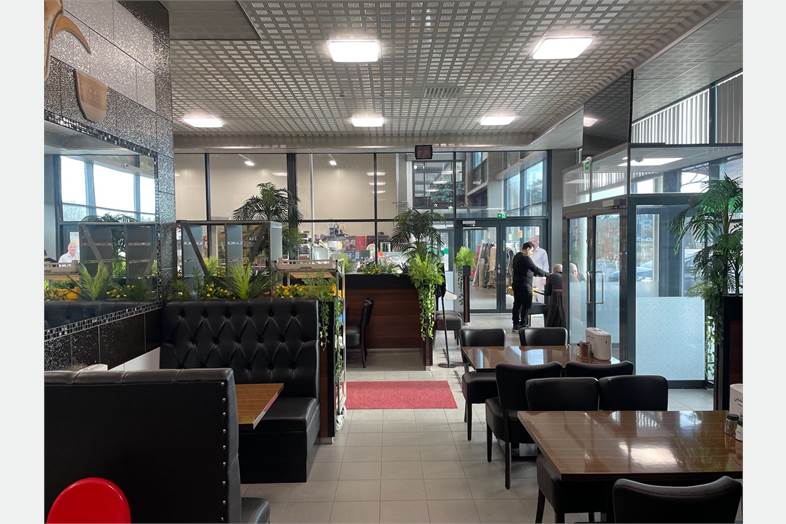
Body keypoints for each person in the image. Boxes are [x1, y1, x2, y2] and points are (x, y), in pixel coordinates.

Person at [511, 241, 549, 331]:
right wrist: (548, 275)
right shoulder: (525, 257)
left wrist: (534, 273)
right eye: (531, 251)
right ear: (527, 249)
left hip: (517, 284)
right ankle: (523, 324)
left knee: (517, 304)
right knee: (526, 305)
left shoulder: (516, 256)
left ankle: (515, 324)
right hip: (524, 285)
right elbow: (535, 268)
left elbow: (525, 269)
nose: (531, 253)